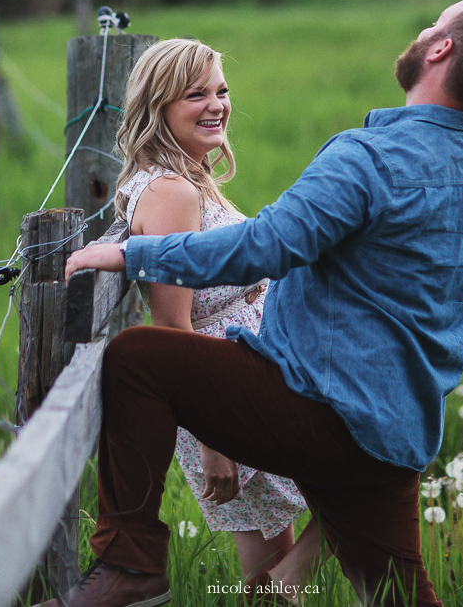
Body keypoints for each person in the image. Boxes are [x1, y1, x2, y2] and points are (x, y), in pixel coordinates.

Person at [49, 0, 463, 607]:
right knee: (398, 596)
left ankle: (131, 565)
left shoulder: (365, 157)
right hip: (395, 437)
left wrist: (133, 254)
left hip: (316, 408)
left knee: (137, 356)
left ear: (440, 49)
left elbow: (265, 246)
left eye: (433, 24)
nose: (424, 29)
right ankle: (268, 582)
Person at [106, 37, 316, 593]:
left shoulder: (188, 178)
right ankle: (280, 591)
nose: (216, 104)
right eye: (195, 94)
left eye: (220, 90)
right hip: (227, 398)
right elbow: (173, 330)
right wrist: (213, 439)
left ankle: (282, 591)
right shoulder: (171, 192)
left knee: (359, 491)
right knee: (373, 478)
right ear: (159, 107)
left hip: (252, 382)